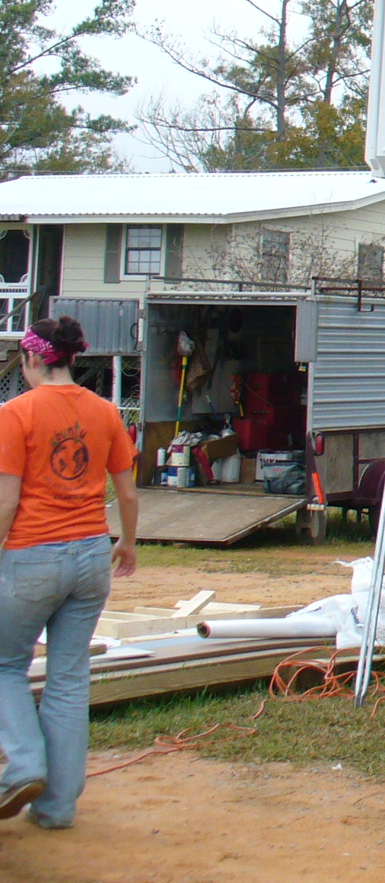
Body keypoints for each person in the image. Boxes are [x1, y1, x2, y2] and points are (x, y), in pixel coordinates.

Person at [0, 317, 138, 830]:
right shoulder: (105, 412)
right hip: (91, 555)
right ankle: (57, 807)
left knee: (5, 665)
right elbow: (127, 492)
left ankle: (24, 765)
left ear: (34, 358)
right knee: (68, 679)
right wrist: (127, 542)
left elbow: (7, 500)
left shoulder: (16, 413)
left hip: (32, 553)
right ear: (71, 358)